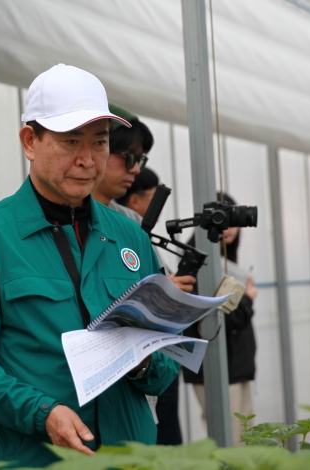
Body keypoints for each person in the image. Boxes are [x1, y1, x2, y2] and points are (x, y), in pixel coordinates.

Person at [0, 64, 178, 468]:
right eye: (70, 142)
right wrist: (40, 412)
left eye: (99, 143)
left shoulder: (130, 237)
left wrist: (146, 361)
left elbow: (167, 358)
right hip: (36, 458)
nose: (86, 159)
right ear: (30, 141)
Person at [183, 193, 258, 446]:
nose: (230, 229)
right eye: (223, 220)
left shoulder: (219, 258)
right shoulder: (199, 260)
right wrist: (247, 298)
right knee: (230, 444)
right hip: (217, 367)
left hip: (234, 366)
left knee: (244, 439)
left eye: (234, 220)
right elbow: (223, 316)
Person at [117, 167, 183, 445]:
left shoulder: (132, 232)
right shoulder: (128, 229)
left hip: (153, 361)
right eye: (128, 157)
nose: (132, 168)